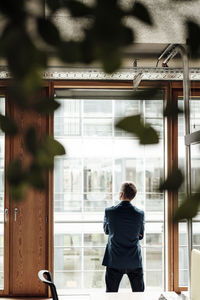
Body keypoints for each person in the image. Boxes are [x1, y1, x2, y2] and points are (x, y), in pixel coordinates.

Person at [102, 181, 145, 292]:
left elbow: (106, 231)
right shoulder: (140, 214)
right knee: (139, 293)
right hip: (134, 260)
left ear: (120, 194)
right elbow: (140, 236)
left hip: (114, 259)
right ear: (133, 196)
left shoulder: (109, 212)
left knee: (111, 293)